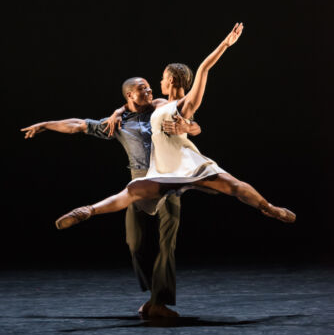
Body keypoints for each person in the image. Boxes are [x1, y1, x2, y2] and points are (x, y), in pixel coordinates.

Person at [55, 24, 296, 243]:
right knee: (132, 191)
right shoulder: (159, 103)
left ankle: (270, 207)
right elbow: (132, 105)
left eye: (161, 78)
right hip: (162, 167)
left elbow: (203, 69)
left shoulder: (186, 104)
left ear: (170, 79)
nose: (157, 82)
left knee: (231, 186)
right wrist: (117, 112)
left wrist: (225, 44)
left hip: (183, 161)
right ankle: (86, 211)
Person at [21, 78, 202, 318]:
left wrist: (188, 127)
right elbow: (78, 125)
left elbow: (191, 118)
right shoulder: (118, 123)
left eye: (149, 87)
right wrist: (46, 124)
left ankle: (159, 302)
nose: (149, 91)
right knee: (135, 243)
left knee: (166, 244)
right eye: (142, 89)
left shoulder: (160, 108)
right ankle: (153, 297)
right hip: (139, 182)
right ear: (129, 95)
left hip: (168, 178)